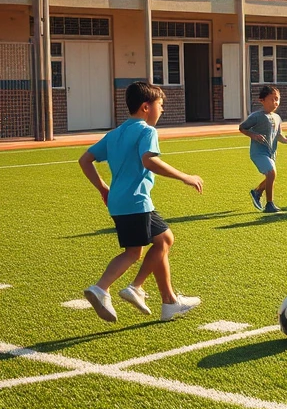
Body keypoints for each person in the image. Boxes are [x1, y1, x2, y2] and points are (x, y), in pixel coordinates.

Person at [78, 81, 203, 323]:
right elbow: (149, 161)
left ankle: (169, 303)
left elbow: (85, 160)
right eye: (160, 105)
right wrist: (185, 177)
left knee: (163, 240)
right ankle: (107, 288)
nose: (162, 110)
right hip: (137, 201)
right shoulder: (147, 131)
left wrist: (103, 188)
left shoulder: (115, 133)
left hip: (118, 201)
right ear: (146, 107)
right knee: (135, 252)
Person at [239, 85, 287, 213]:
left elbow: (277, 134)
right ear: (262, 100)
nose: (275, 102)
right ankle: (269, 204)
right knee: (271, 174)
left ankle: (257, 192)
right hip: (258, 153)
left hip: (271, 152)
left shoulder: (277, 118)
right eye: (272, 99)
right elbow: (242, 127)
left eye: (277, 99)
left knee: (271, 177)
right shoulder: (257, 116)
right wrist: (253, 135)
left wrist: (284, 139)